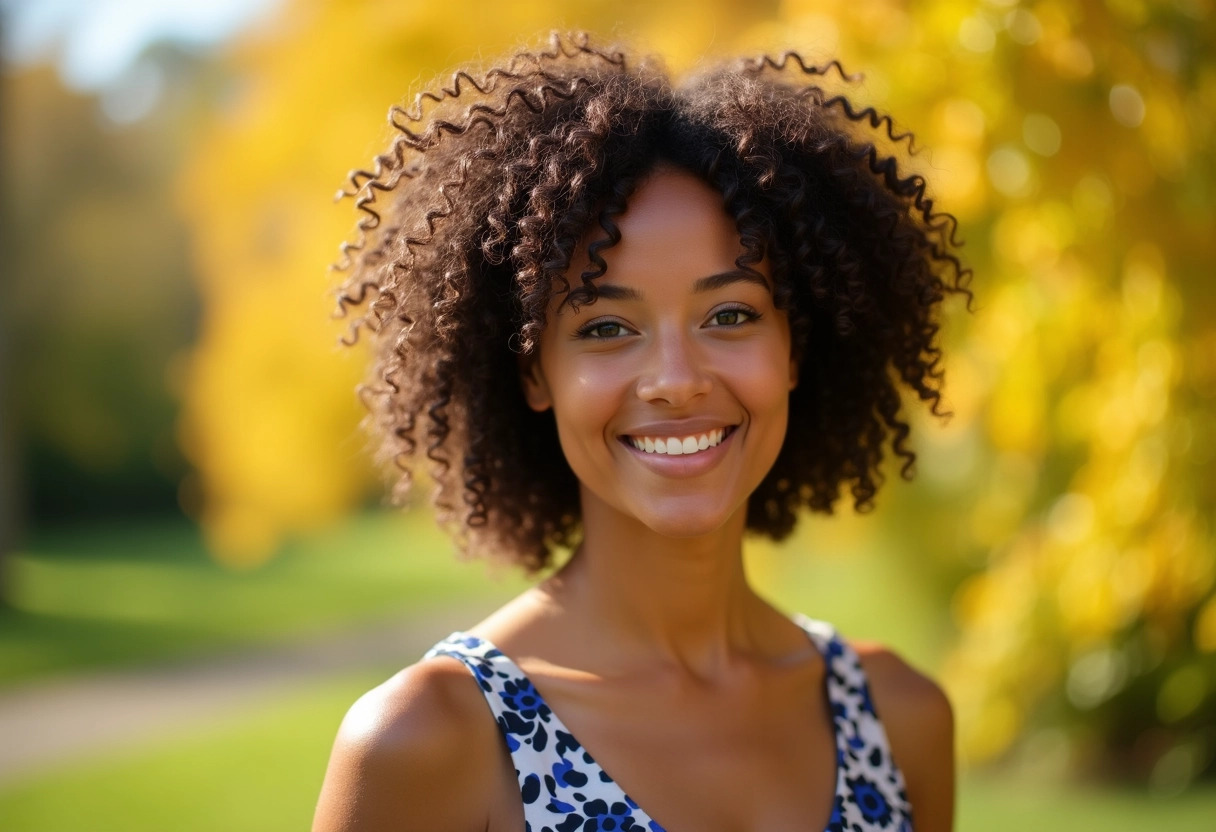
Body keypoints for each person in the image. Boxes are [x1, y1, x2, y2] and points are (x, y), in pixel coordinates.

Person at [313, 32, 968, 832]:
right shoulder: (431, 742)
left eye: (730, 314)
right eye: (606, 328)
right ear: (532, 372)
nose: (677, 379)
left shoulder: (901, 719)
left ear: (796, 346)